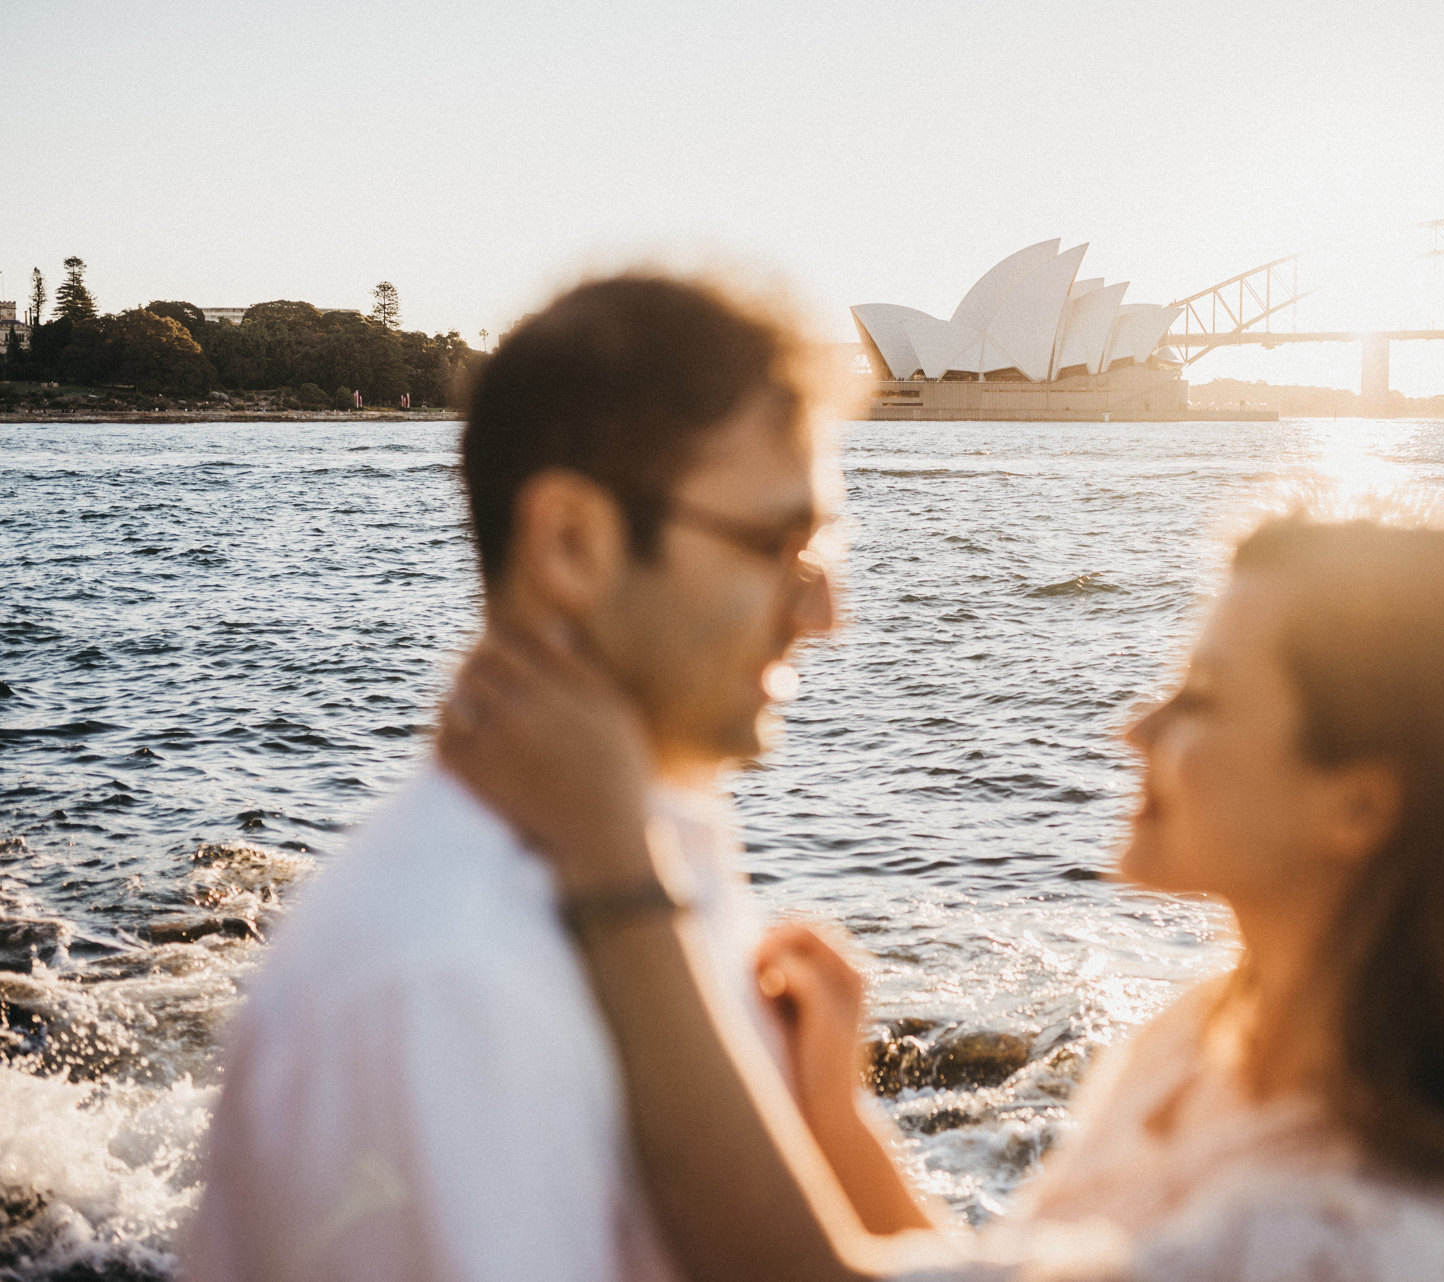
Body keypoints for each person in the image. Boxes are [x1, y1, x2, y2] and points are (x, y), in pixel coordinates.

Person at [438, 510, 1444, 1282]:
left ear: (1362, 805)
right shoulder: (1211, 1038)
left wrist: (613, 863)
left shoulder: (1356, 1237)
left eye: (1204, 694)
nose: (1135, 725)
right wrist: (837, 1122)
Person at [184, 273, 930, 1282]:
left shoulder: (658, 843)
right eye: (775, 544)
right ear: (573, 542)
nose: (824, 610)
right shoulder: (445, 984)